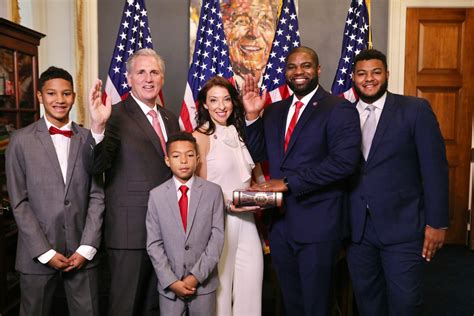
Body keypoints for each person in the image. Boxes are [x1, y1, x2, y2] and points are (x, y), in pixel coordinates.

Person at [241, 46, 362, 315]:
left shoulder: (338, 108)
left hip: (318, 224)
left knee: (317, 305)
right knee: (291, 302)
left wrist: (288, 183)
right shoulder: (274, 111)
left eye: (306, 66)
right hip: (281, 226)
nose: (298, 72)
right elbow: (258, 153)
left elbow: (343, 163)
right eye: (292, 67)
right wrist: (251, 116)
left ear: (318, 70)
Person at [346, 48, 449, 315]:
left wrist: (437, 223)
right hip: (357, 229)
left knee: (405, 302)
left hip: (403, 227)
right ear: (353, 78)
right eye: (362, 73)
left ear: (387, 74)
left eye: (376, 72)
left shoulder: (414, 110)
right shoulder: (342, 114)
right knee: (367, 301)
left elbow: (435, 169)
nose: (369, 79)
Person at [83, 48, 180, 315]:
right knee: (125, 307)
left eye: (154, 72)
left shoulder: (171, 119)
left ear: (162, 78)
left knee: (155, 306)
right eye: (141, 72)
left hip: (166, 231)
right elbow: (95, 165)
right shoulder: (112, 115)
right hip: (129, 233)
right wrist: (98, 127)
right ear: (128, 78)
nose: (148, 78)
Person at [5, 66, 104, 315]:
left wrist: (86, 248)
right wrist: (45, 252)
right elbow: (19, 202)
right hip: (36, 253)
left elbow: (97, 195)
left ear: (74, 96)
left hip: (82, 252)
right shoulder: (20, 141)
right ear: (39, 96)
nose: (60, 100)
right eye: (51, 93)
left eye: (66, 94)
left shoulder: (89, 139)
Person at [192, 76, 263, 315]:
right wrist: (228, 201)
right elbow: (197, 187)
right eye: (213, 100)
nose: (221, 106)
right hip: (218, 222)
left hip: (248, 221)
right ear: (204, 104)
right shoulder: (199, 137)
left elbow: (253, 179)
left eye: (226, 100)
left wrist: (264, 196)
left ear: (233, 102)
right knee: (220, 289)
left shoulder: (238, 133)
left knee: (251, 286)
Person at [146, 131, 224, 316]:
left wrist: (195, 277)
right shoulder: (156, 196)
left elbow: (217, 238)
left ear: (197, 159)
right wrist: (171, 281)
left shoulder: (213, 192)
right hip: (169, 288)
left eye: (189, 155)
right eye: (176, 156)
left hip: (203, 286)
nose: (183, 161)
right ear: (167, 160)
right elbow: (153, 244)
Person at [221, 0, 278, 86]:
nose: (254, 33)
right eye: (241, 21)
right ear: (224, 26)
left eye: (265, 24)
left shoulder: (281, 86)